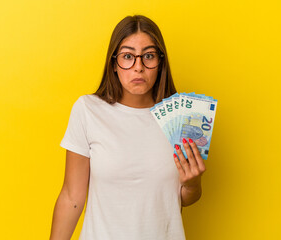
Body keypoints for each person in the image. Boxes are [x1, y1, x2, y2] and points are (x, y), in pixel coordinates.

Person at [50, 15, 206, 240]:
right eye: (128, 56)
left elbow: (181, 198)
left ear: (160, 63)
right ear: (114, 63)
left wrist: (193, 184)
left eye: (149, 56)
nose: (138, 67)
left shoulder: (182, 117)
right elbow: (71, 197)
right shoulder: (88, 110)